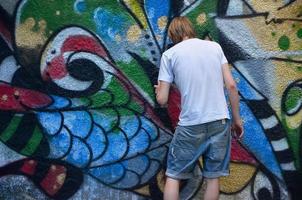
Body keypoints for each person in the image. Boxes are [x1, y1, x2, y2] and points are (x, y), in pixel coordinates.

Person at [154, 16, 243, 200]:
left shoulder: (170, 55)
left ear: (172, 35)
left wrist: (159, 91)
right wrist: (237, 120)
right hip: (220, 121)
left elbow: (162, 100)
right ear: (190, 29)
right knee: (212, 178)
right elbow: (232, 86)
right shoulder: (214, 47)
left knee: (173, 175)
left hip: (191, 124)